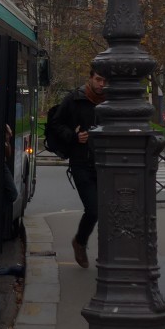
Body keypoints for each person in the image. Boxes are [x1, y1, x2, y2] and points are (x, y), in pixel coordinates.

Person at [47, 67, 107, 268]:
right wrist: (74, 136)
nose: (101, 85)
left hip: (105, 163)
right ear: (90, 78)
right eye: (98, 79)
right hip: (81, 162)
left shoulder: (110, 101)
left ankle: (107, 254)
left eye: (105, 81)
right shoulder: (75, 99)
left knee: (107, 211)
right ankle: (80, 242)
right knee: (93, 209)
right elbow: (55, 123)